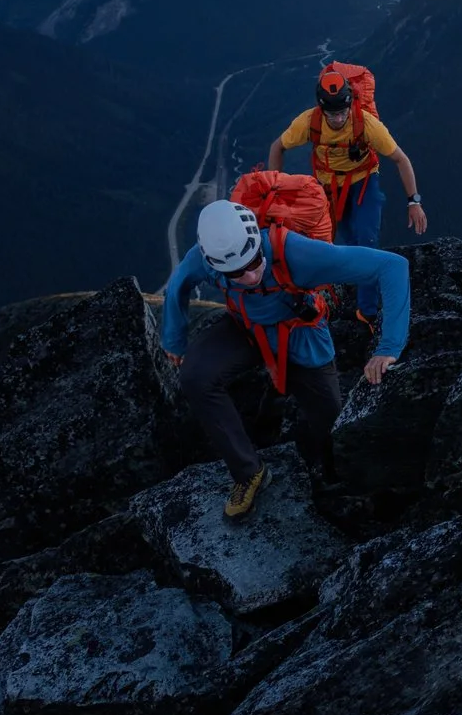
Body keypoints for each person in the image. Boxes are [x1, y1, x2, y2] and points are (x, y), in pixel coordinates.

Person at [160, 198, 408, 517]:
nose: (249, 277)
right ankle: (249, 472)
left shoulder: (298, 254)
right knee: (195, 376)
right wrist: (175, 342)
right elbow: (179, 283)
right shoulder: (205, 258)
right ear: (215, 262)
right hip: (246, 328)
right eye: (236, 272)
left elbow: (392, 266)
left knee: (332, 430)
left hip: (299, 336)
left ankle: (355, 491)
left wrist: (389, 347)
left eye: (253, 263)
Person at [267, 65, 426, 328]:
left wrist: (414, 201)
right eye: (332, 114)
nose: (338, 119)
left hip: (364, 182)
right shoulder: (309, 122)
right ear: (321, 108)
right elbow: (278, 146)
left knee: (366, 240)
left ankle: (368, 312)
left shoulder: (367, 124)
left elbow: (401, 159)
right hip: (326, 187)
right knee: (321, 243)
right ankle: (314, 304)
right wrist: (274, 187)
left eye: (341, 113)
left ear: (349, 104)